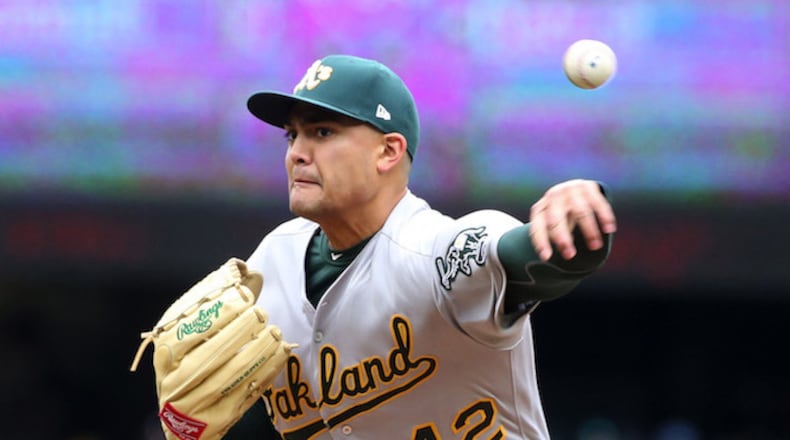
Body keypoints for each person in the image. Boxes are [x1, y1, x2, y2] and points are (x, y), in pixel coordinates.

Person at [244, 54, 616, 439]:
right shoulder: (270, 264)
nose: (297, 153)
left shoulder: (430, 250)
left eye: (322, 132)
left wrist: (574, 218)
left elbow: (527, 257)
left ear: (388, 151)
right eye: (292, 135)